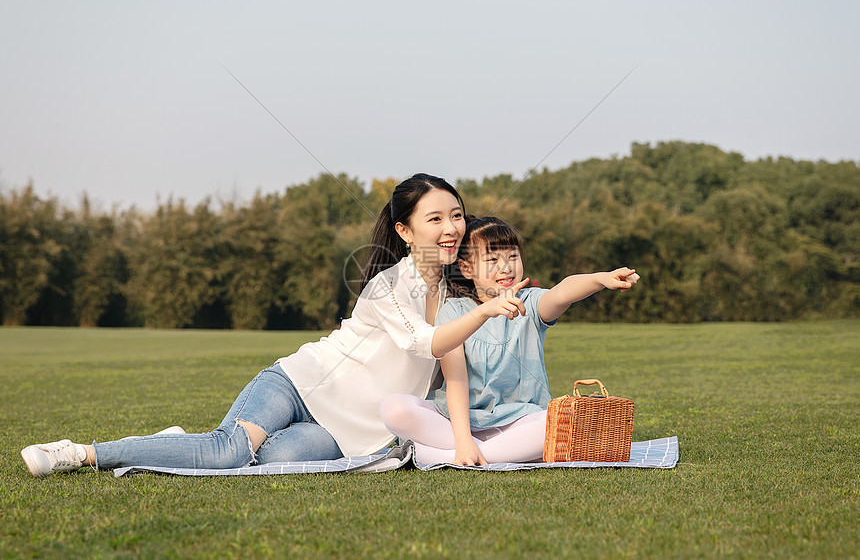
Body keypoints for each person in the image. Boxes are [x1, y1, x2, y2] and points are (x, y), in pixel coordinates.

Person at [20, 175, 530, 477]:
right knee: (228, 452)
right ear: (404, 230)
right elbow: (428, 342)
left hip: (345, 431)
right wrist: (486, 310)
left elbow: (461, 354)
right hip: (300, 383)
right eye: (435, 218)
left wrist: (498, 299)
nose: (451, 228)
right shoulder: (387, 287)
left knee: (258, 466)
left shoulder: (458, 295)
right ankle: (81, 454)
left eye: (457, 216)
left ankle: (172, 440)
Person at [380, 216, 639, 465]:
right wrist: (464, 439)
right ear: (467, 268)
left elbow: (562, 292)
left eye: (512, 257)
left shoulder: (530, 303)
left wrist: (600, 279)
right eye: (492, 259)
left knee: (558, 422)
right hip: (457, 422)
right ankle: (480, 451)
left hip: (521, 422)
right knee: (394, 408)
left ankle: (438, 456)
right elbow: (456, 379)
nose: (506, 267)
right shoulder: (454, 311)